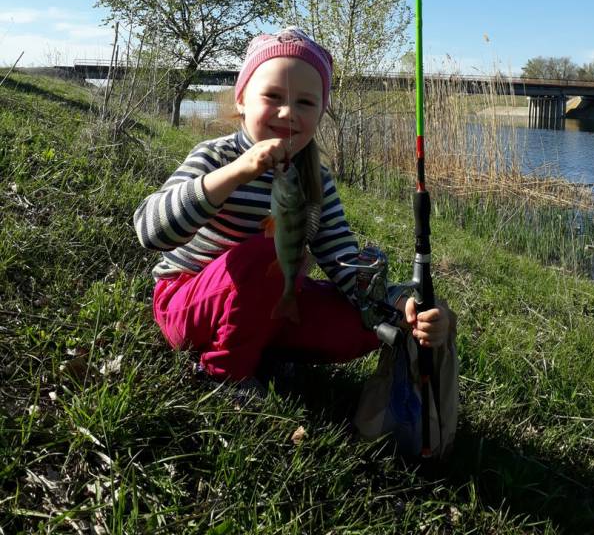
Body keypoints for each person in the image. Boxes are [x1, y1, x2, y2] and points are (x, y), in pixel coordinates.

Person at [134, 27, 449, 391]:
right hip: (186, 304)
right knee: (264, 257)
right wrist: (237, 173)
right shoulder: (215, 157)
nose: (287, 112)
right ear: (242, 99)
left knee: (377, 324)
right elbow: (150, 231)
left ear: (320, 112)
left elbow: (341, 259)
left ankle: (261, 345)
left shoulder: (317, 179)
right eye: (272, 96)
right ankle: (224, 374)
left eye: (305, 102)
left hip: (270, 301)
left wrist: (403, 304)